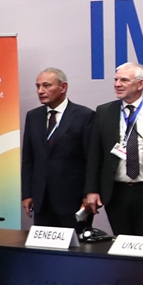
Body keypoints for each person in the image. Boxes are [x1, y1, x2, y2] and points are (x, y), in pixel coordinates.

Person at [84, 62, 143, 236]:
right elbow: (95, 154)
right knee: (121, 244)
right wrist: (91, 190)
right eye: (116, 79)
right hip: (116, 191)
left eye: (124, 80)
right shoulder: (104, 111)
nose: (117, 84)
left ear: (140, 84)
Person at [21, 68, 95, 230]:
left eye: (46, 85)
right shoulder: (33, 116)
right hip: (41, 200)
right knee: (44, 251)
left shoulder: (84, 115)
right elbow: (28, 158)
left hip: (73, 200)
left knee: (75, 251)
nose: (40, 91)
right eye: (38, 86)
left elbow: (91, 160)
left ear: (63, 87)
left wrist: (88, 194)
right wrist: (27, 193)